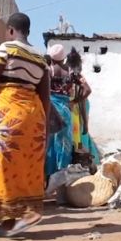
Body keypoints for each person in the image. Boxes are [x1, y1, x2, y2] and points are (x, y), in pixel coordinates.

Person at [0, 12, 50, 237]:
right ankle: (26, 212)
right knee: (26, 167)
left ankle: (13, 220)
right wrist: (43, 126)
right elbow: (45, 96)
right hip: (33, 116)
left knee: (0, 165)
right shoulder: (40, 57)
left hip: (9, 115)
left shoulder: (7, 49)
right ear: (29, 31)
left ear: (11, 30)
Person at [44, 44, 74, 183]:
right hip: (66, 109)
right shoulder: (71, 72)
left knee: (49, 141)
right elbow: (86, 89)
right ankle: (62, 176)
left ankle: (48, 176)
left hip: (51, 108)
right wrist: (74, 101)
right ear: (63, 58)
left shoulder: (48, 71)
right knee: (64, 142)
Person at [67, 47, 100, 166]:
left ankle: (80, 160)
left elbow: (87, 91)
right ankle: (80, 160)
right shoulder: (76, 76)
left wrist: (74, 101)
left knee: (77, 137)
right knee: (79, 136)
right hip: (78, 109)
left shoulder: (73, 76)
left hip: (76, 109)